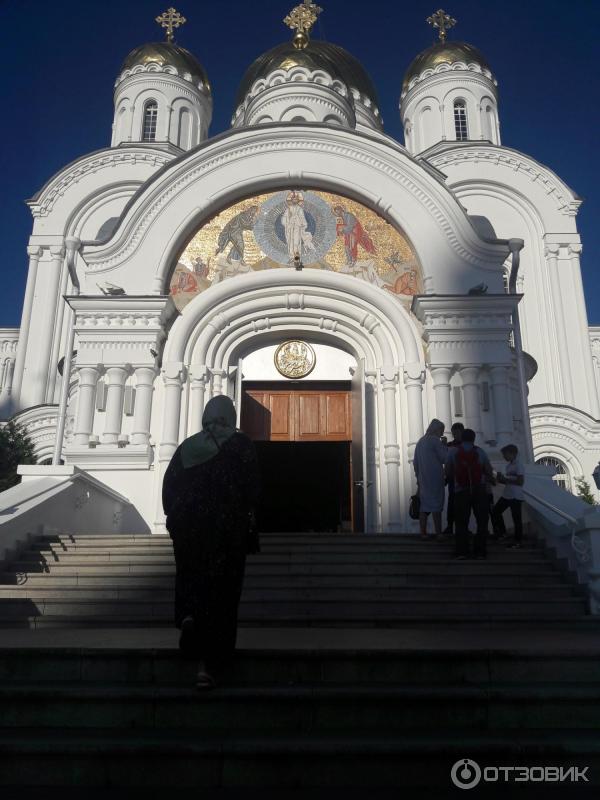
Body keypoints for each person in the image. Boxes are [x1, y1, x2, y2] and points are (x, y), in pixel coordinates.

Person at [162, 395, 260, 689]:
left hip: (187, 528)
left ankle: (189, 616)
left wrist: (176, 518)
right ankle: (208, 666)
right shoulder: (241, 445)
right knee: (221, 593)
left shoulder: (187, 447)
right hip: (225, 530)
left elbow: (169, 487)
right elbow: (253, 488)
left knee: (191, 579)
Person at [445, 428, 494, 559]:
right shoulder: (480, 451)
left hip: (460, 490)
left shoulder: (453, 451)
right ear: (473, 439)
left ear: (462, 438)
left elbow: (448, 471)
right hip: (479, 489)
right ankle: (480, 551)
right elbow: (488, 470)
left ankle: (462, 551)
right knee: (482, 521)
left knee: (461, 522)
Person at [413, 419, 448, 539]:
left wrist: (418, 477)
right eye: (441, 430)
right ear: (437, 429)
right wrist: (444, 445)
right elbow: (444, 458)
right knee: (436, 506)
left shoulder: (420, 441)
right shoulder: (435, 441)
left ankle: (423, 533)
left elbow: (415, 463)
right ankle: (439, 533)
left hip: (423, 479)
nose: (441, 433)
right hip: (435, 478)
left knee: (424, 506)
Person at [491, 444, 525, 548]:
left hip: (516, 496)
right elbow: (508, 481)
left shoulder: (519, 465)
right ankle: (503, 532)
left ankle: (518, 541)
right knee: (495, 511)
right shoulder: (508, 466)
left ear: (513, 454)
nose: (504, 457)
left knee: (516, 519)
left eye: (505, 454)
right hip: (507, 494)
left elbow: (520, 482)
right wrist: (499, 479)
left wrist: (506, 480)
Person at [443, 422, 464, 537]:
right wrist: (443, 446)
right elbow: (444, 457)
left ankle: (461, 527)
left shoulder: (465, 445)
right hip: (452, 479)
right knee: (452, 503)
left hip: (463, 480)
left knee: (462, 505)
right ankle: (450, 525)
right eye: (454, 434)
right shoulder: (450, 445)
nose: (455, 436)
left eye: (457, 433)